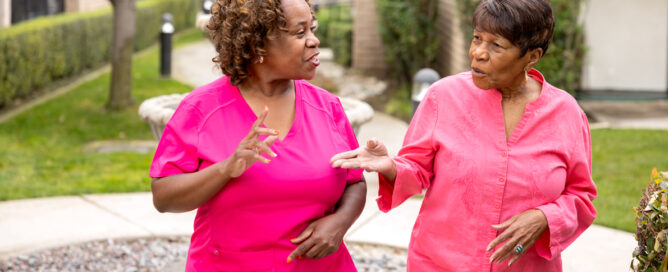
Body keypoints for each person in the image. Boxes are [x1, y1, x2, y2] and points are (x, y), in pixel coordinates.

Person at [331, 0, 597, 271]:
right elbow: (416, 168)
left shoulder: (566, 114)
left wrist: (545, 218)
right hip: (438, 263)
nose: (478, 53)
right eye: (477, 38)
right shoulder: (443, 96)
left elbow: (581, 194)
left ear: (532, 56)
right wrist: (390, 166)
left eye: (497, 45)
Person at [149, 0, 366, 270]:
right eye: (300, 33)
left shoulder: (327, 107)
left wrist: (341, 222)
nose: (314, 41)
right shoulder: (202, 109)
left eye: (312, 29)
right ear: (258, 43)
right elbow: (163, 197)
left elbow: (355, 182)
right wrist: (226, 169)